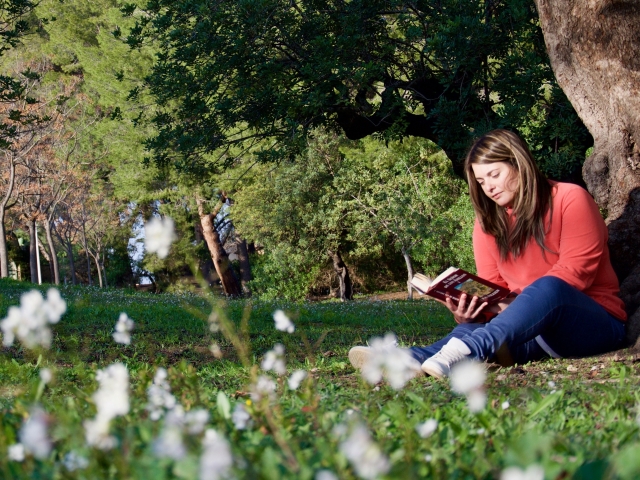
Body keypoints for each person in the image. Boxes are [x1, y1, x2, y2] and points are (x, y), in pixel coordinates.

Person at [349, 129, 627, 378]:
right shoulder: (487, 224)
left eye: (494, 175)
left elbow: (575, 274)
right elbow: (494, 290)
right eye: (481, 181)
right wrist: (467, 312)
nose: (489, 187)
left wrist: (512, 306)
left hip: (588, 325)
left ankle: (468, 349)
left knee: (550, 286)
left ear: (520, 165)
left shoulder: (569, 198)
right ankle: (409, 359)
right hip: (526, 332)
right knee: (473, 328)